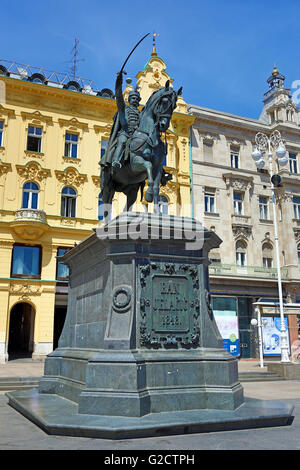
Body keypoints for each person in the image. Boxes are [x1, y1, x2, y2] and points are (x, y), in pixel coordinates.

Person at [101, 72, 141, 170]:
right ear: (129, 99)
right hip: (125, 133)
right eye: (133, 98)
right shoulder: (124, 109)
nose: (135, 100)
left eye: (137, 99)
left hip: (136, 135)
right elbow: (119, 97)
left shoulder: (140, 113)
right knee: (122, 142)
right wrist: (119, 81)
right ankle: (116, 161)